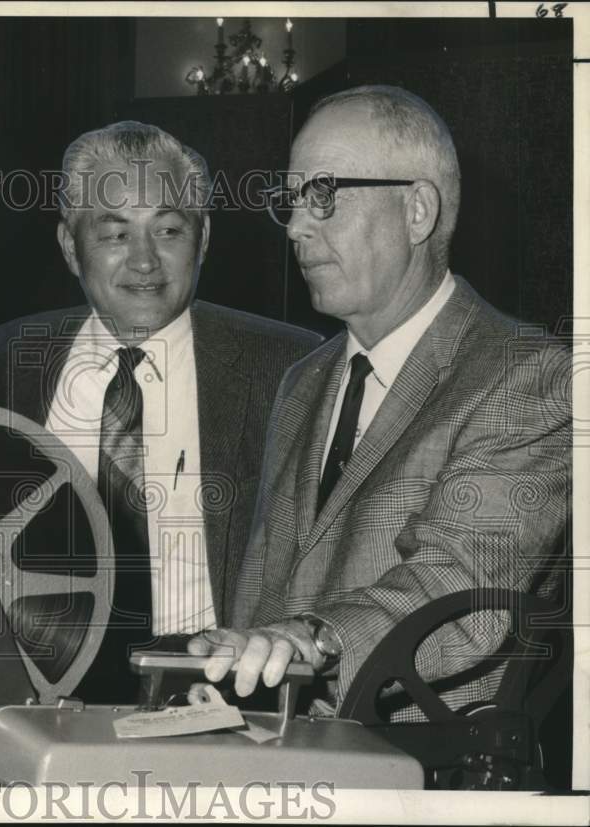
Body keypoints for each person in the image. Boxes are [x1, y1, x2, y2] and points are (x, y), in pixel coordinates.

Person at [189, 86, 571, 720]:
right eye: (292, 199)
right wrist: (230, 685)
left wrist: (313, 638)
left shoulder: (530, 378)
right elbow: (264, 586)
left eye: (324, 196)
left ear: (417, 211)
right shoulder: (303, 380)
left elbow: (460, 587)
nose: (296, 225)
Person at [0, 121, 321, 703]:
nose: (144, 262)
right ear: (68, 246)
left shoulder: (287, 367)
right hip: (45, 698)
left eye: (169, 230)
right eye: (114, 234)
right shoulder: (10, 359)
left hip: (223, 698)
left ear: (203, 241)